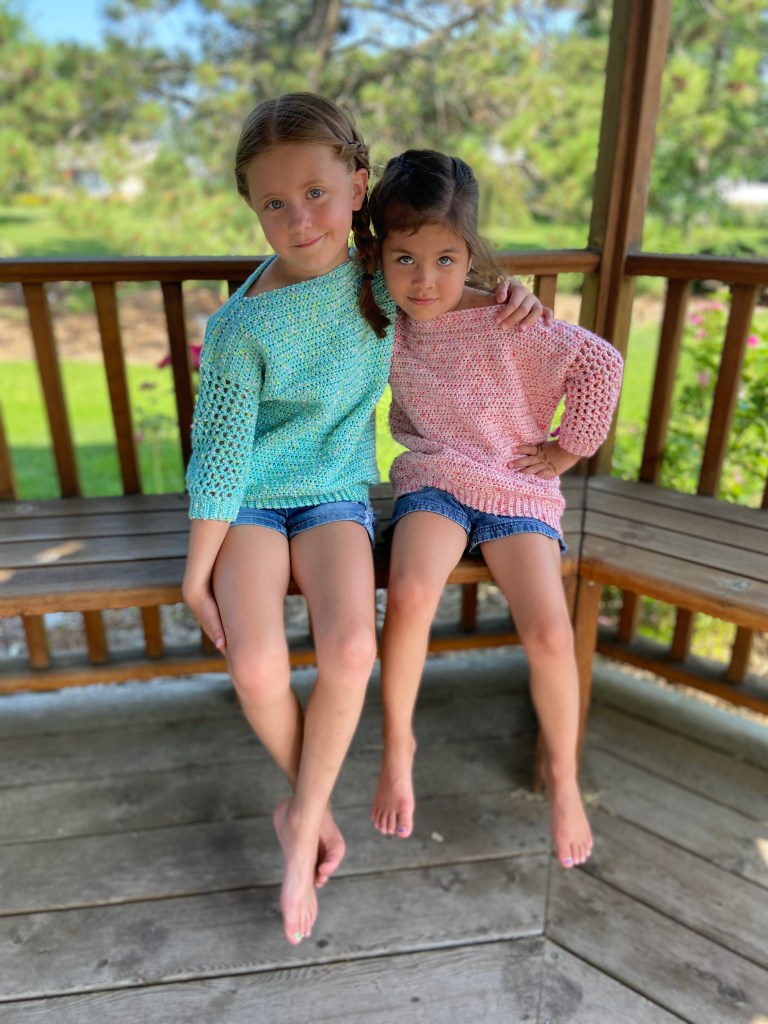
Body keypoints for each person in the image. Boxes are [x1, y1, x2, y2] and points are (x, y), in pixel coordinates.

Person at [181, 95, 547, 945]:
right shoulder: (241, 325)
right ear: (252, 209)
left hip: (337, 493)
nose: (297, 218)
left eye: (315, 192)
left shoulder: (383, 275)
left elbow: (448, 275)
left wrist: (509, 295)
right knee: (257, 664)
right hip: (248, 505)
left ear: (356, 184)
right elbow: (223, 457)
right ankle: (311, 808)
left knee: (351, 647)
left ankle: (300, 824)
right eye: (273, 202)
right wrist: (194, 573)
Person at [368, 149, 624, 869]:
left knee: (548, 629)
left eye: (446, 259)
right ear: (380, 256)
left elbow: (600, 364)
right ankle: (398, 744)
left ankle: (565, 780)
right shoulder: (380, 316)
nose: (425, 280)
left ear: (471, 253)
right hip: (436, 479)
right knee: (412, 591)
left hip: (517, 487)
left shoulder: (508, 319)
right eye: (405, 259)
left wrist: (567, 452)